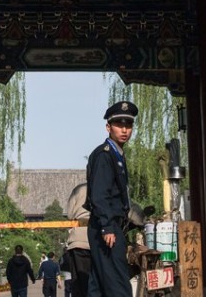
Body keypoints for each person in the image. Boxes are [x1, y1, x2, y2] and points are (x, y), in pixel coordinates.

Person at [84, 100, 138, 297]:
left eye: (128, 125)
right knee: (118, 285)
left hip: (108, 225)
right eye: (119, 125)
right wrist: (107, 226)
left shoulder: (116, 154)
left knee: (98, 284)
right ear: (108, 127)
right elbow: (99, 194)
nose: (124, 130)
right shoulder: (105, 155)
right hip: (106, 226)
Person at [65, 182, 148, 297]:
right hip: (101, 239)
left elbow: (69, 214)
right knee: (104, 283)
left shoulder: (79, 189)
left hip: (78, 239)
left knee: (81, 285)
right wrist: (144, 221)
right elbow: (131, 211)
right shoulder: (112, 186)